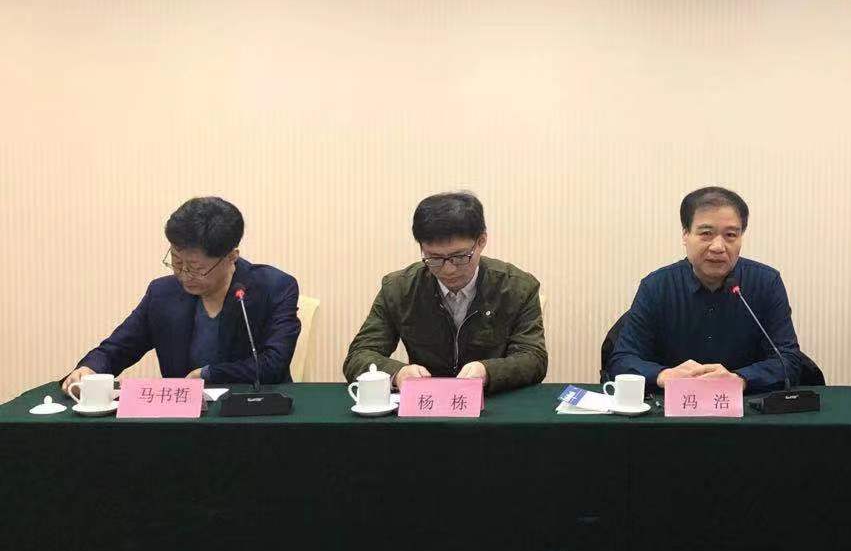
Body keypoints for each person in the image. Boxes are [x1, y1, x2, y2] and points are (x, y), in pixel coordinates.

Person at [61, 196, 300, 395]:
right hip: (184, 420)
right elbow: (119, 347)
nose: (184, 275)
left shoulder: (274, 288)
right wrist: (90, 369)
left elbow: (273, 364)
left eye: (196, 268)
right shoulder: (162, 293)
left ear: (231, 257)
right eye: (176, 262)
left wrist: (208, 374)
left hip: (254, 416)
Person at [607, 186, 804, 394]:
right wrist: (663, 375)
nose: (718, 246)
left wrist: (740, 379)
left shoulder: (766, 283)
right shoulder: (657, 287)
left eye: (730, 235)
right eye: (706, 234)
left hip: (746, 407)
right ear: (685, 234)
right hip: (671, 407)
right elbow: (622, 360)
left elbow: (789, 360)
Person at [344, 191, 546, 391]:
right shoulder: (399, 289)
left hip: (494, 400)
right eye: (434, 258)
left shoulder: (517, 287)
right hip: (425, 402)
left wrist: (488, 372)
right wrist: (398, 373)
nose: (448, 269)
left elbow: (533, 358)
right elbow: (359, 355)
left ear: (481, 241)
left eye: (459, 257)